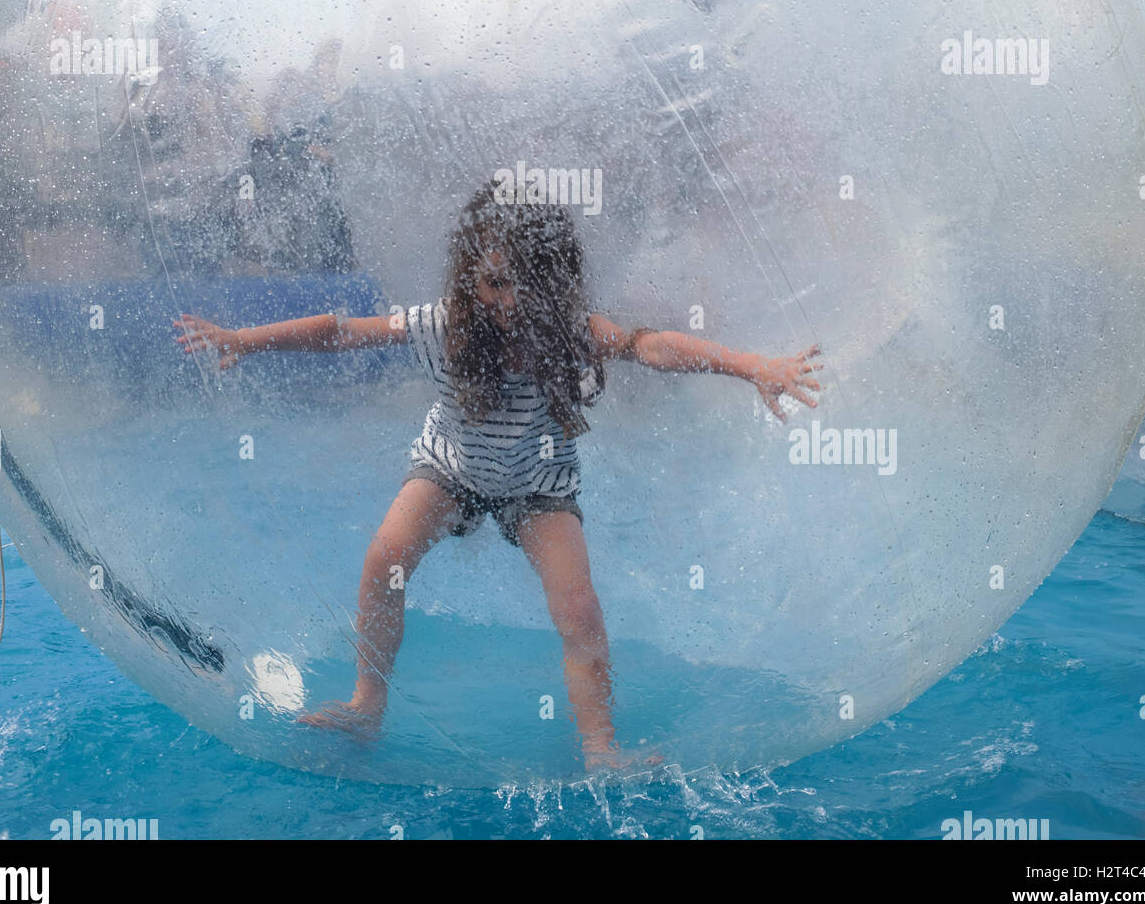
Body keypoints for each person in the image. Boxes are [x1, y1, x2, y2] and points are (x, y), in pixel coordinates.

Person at [174, 179, 821, 771]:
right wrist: (244, 339)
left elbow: (648, 346)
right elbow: (342, 333)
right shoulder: (446, 326)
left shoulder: (570, 332)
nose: (509, 301)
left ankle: (599, 746)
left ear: (555, 280)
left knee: (578, 608)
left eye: (525, 284)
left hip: (537, 485)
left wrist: (748, 365)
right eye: (494, 283)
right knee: (383, 559)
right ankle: (366, 704)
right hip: (450, 468)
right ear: (470, 279)